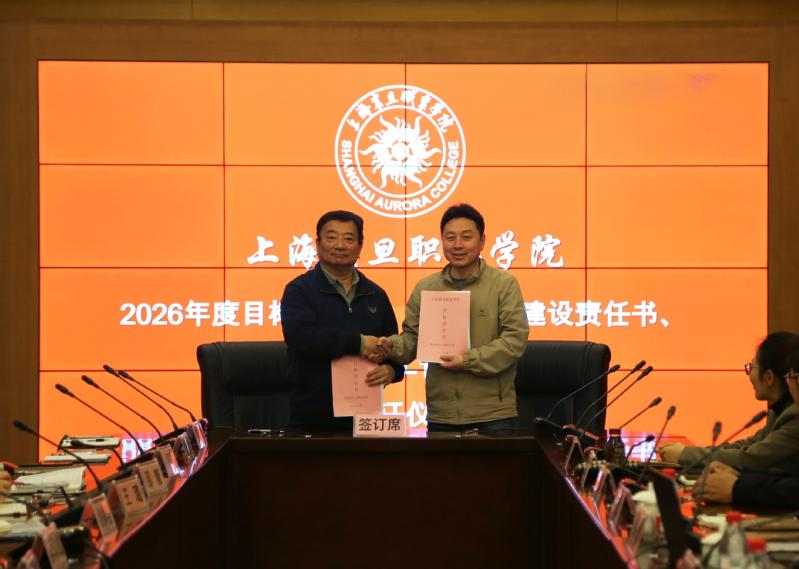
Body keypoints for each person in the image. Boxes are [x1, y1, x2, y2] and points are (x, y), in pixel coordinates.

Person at [374, 203, 529, 432]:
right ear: (442, 241)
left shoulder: (503, 285)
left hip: (493, 416)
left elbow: (514, 341)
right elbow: (413, 340)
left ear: (482, 241)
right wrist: (390, 346)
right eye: (450, 237)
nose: (457, 245)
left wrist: (467, 361)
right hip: (442, 415)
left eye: (466, 237)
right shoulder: (426, 287)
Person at [280, 210, 405, 431]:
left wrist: (392, 371)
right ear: (317, 244)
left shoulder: (375, 294)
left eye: (348, 238)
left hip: (366, 418)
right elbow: (302, 338)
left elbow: (392, 347)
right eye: (331, 237)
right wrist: (359, 343)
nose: (340, 245)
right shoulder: (300, 290)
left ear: (360, 246)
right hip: (312, 417)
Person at [659, 332, 799, 471]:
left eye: (751, 368)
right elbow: (746, 446)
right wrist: (687, 452)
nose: (749, 375)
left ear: (769, 377)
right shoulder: (779, 410)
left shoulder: (794, 417)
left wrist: (685, 454)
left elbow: (751, 458)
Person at [695, 347, 799, 507]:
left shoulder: (794, 417)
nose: (791, 386)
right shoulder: (777, 412)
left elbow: (791, 489)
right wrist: (740, 476)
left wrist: (738, 487)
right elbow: (789, 474)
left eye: (791, 378)